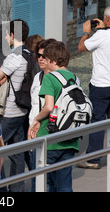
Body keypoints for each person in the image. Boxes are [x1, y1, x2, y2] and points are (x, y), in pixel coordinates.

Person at [77, 6, 110, 169]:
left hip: (101, 85)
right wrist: (103, 29)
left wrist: (86, 32)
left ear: (106, 18)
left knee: (98, 121)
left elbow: (81, 47)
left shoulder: (100, 36)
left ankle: (93, 158)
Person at [29, 41, 79, 192]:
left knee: (41, 183)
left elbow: (49, 107)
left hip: (49, 137)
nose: (44, 61)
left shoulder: (50, 78)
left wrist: (36, 119)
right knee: (64, 185)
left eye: (47, 58)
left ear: (54, 61)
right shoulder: (74, 78)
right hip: (69, 137)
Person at [0, 19, 29, 192]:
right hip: (23, 110)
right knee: (17, 152)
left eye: (7, 34)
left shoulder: (14, 57)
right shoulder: (29, 54)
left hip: (10, 112)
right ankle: (17, 188)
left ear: (13, 35)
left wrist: (1, 76)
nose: (6, 38)